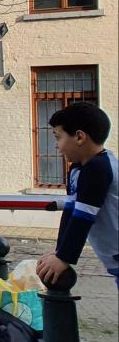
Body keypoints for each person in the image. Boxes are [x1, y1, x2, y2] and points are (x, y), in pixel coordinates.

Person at [37, 102, 117, 288]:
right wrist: (59, 252)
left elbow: (83, 218)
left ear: (79, 137)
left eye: (58, 137)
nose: (57, 146)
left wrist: (64, 258)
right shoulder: (78, 169)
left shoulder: (98, 168)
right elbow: (71, 211)